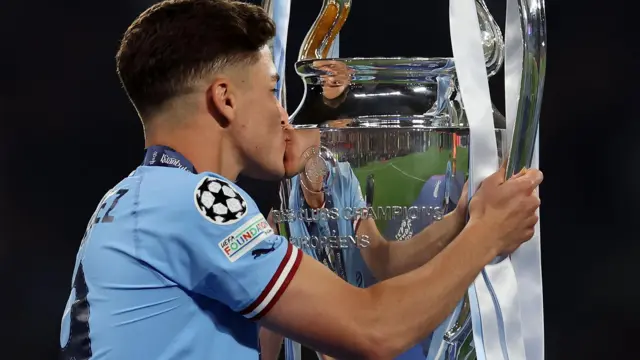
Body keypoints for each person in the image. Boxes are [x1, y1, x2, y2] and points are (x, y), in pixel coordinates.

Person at [58, 1, 544, 360]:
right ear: (225, 99)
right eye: (272, 91)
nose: (284, 113)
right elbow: (374, 331)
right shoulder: (197, 202)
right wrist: (487, 235)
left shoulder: (135, 199)